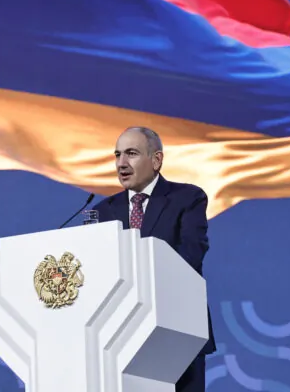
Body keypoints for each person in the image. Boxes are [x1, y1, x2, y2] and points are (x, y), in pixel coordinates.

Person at [91, 126, 215, 392]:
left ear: (156, 160)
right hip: (118, 337)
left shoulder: (187, 198)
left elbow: (191, 254)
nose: (121, 163)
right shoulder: (102, 211)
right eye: (117, 155)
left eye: (131, 153)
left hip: (178, 331)